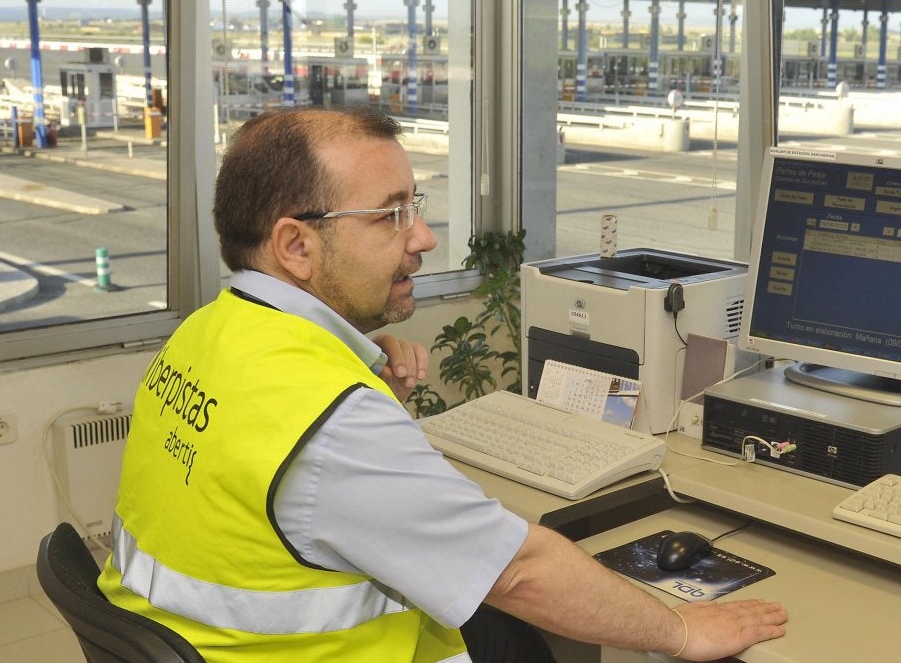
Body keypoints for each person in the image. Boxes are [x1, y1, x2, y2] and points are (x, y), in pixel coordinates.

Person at [97, 106, 789, 661]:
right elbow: (519, 571)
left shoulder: (207, 334)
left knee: (510, 635)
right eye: (390, 214)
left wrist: (360, 375)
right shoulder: (331, 424)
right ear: (296, 246)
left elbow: (264, 481)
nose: (424, 237)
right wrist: (681, 629)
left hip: (205, 642)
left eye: (415, 205)